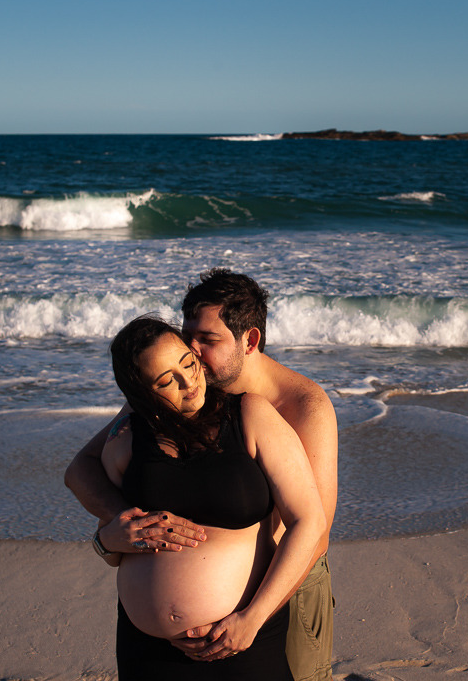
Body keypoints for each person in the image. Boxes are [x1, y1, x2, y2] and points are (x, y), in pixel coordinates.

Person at [65, 269, 338, 681]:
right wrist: (121, 529)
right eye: (187, 336)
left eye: (206, 341)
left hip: (284, 592)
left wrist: (245, 620)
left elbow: (313, 534)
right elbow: (82, 468)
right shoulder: (170, 398)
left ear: (250, 341)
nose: (191, 352)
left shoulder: (300, 407)